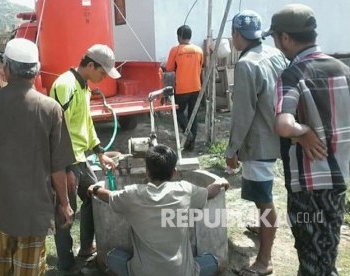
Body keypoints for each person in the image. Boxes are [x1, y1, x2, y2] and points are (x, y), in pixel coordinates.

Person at [0, 38, 75, 276]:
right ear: (36, 71)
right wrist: (65, 204)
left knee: (1, 269)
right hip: (33, 213)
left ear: (5, 69)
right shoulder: (50, 109)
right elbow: (58, 167)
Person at [263, 4, 350, 275]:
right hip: (338, 180)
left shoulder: (293, 74)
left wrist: (303, 132)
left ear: (286, 38)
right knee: (326, 253)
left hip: (308, 186)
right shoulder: (343, 69)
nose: (277, 44)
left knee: (313, 260)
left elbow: (283, 124)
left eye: (276, 38)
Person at [88, 144, 229, 276]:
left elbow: (109, 196)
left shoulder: (132, 194)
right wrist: (220, 182)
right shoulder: (185, 190)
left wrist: (95, 188)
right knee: (220, 263)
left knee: (102, 258)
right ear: (174, 172)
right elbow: (209, 192)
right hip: (182, 272)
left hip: (142, 273)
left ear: (147, 172)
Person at [225, 10, 287, 276]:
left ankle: (264, 261)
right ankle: (262, 229)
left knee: (264, 199)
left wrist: (232, 149)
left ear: (237, 35)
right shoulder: (276, 54)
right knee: (263, 195)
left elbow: (243, 113)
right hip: (279, 133)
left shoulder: (246, 64)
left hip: (258, 140)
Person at [49, 44, 120, 274]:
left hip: (82, 157)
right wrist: (65, 167)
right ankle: (67, 264)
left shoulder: (84, 87)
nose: (104, 77)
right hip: (67, 160)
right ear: (90, 65)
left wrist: (99, 151)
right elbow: (56, 129)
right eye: (102, 72)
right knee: (64, 210)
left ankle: (86, 247)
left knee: (93, 197)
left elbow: (86, 123)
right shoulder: (65, 85)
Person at [165, 25, 204, 150]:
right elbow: (201, 65)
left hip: (182, 88)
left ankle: (188, 134)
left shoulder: (175, 50)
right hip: (196, 87)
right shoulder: (199, 50)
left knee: (177, 112)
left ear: (179, 37)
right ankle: (191, 145)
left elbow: (169, 68)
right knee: (193, 115)